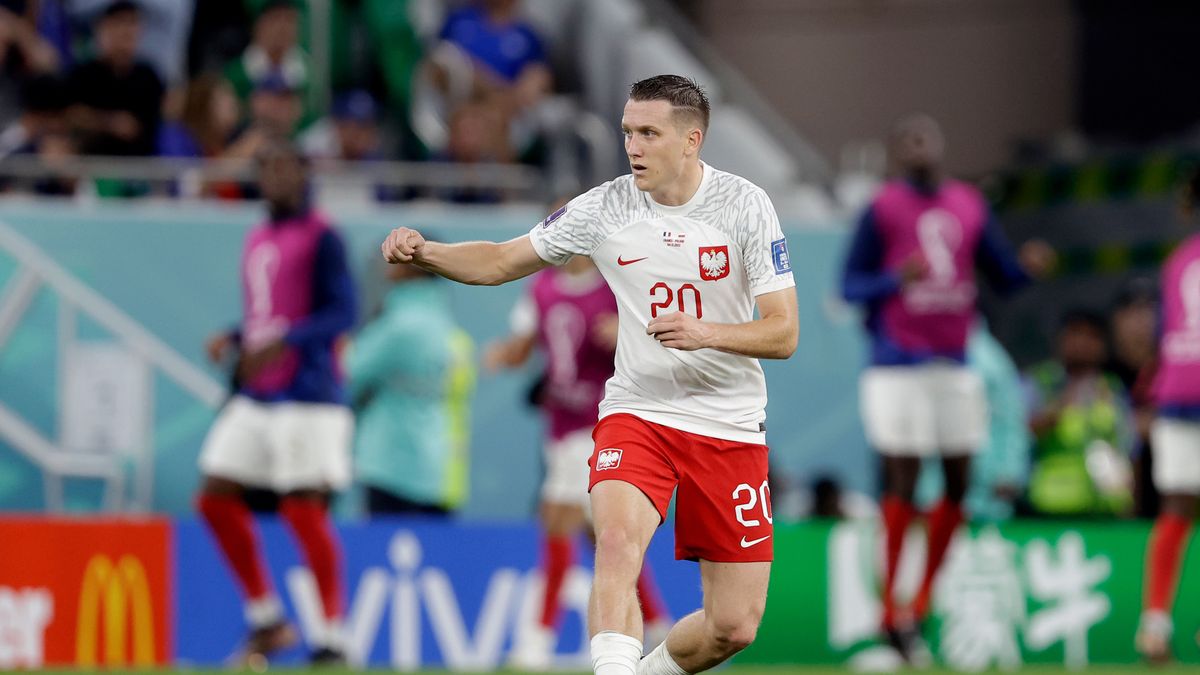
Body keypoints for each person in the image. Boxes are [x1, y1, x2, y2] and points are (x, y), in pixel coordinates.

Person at [382, 74, 798, 675]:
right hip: (639, 412)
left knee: (732, 627)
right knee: (617, 543)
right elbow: (500, 260)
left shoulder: (744, 205)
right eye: (628, 132)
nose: (633, 147)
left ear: (692, 140)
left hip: (728, 424)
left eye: (649, 133)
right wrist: (426, 252)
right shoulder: (604, 207)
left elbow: (783, 333)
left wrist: (706, 332)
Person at [839, 113, 1049, 661]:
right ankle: (892, 610)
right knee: (904, 477)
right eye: (907, 140)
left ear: (939, 145)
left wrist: (1027, 268)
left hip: (955, 360)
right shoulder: (883, 208)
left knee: (959, 480)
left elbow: (1001, 274)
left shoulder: (968, 205)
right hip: (897, 361)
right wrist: (894, 280)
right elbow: (849, 285)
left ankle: (921, 600)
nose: (918, 147)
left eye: (925, 137)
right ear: (896, 154)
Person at [195, 139, 356, 666]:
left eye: (286, 169)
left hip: (308, 393)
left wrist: (285, 342)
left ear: (305, 175)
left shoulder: (323, 235)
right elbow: (268, 314)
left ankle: (331, 637)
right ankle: (266, 618)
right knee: (214, 495)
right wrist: (235, 336)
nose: (276, 179)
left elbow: (343, 313)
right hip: (259, 393)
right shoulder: (258, 236)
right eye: (268, 170)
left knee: (302, 508)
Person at [484, 250, 671, 668]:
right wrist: (503, 355)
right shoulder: (540, 288)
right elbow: (523, 348)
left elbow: (656, 338)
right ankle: (659, 626)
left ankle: (537, 641)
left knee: (557, 518)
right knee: (603, 538)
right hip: (559, 427)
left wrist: (628, 332)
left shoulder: (617, 286)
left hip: (601, 423)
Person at [346, 257, 476, 517]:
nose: (386, 268)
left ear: (413, 268)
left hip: (391, 465)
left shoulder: (398, 326)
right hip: (440, 469)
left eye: (395, 259)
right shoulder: (449, 330)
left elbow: (350, 370)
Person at [1135, 171, 1200, 663]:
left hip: (1175, 394)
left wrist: (1148, 396)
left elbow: (1162, 336)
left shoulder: (1177, 260)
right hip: (1180, 392)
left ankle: (1155, 625)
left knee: (1176, 509)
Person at [915, 322, 1032, 523]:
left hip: (984, 491)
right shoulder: (917, 348)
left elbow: (1010, 419)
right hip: (933, 490)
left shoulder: (989, 358)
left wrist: (1008, 472)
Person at [1024, 310, 1135, 517]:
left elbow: (1128, 447)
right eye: (1075, 333)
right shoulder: (1040, 383)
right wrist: (1058, 409)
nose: (1083, 343)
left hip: (1104, 508)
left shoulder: (1113, 388)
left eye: (1092, 336)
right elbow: (1019, 436)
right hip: (1047, 507)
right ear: (1060, 340)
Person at [65, 0, 164, 156]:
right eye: (120, 23)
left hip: (138, 165)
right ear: (103, 28)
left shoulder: (148, 77)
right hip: (90, 162)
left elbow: (145, 126)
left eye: (132, 23)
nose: (127, 31)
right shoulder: (84, 75)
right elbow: (71, 116)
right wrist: (110, 123)